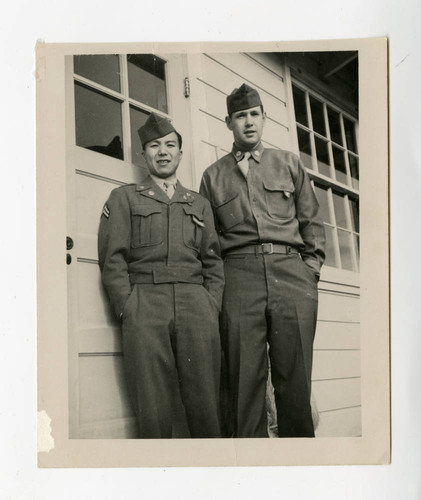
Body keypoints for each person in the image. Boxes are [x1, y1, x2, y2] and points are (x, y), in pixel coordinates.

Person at [200, 83, 326, 438]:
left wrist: (309, 273)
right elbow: (208, 242)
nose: (249, 123)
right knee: (244, 388)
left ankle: (298, 476)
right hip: (239, 280)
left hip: (292, 276)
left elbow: (311, 222)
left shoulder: (288, 163)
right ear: (229, 123)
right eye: (241, 116)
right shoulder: (213, 176)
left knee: (295, 384)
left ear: (264, 118)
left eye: (254, 114)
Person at [98, 113, 224, 439]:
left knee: (206, 407)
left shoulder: (199, 204)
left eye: (170, 145)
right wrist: (128, 306)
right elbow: (113, 260)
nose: (163, 152)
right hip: (145, 304)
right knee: (152, 412)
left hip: (197, 304)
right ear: (144, 155)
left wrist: (211, 304)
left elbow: (213, 261)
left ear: (181, 154)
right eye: (154, 146)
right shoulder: (124, 198)